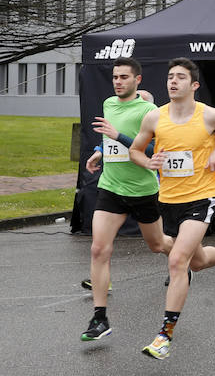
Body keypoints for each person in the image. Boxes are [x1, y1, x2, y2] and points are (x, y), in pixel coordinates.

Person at [129, 58, 215, 359]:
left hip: (202, 197)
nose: (173, 81)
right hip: (168, 199)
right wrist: (148, 162)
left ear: (194, 85)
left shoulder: (210, 115)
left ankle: (164, 335)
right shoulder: (154, 118)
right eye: (170, 77)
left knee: (178, 261)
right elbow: (135, 150)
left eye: (180, 77)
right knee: (195, 262)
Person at [80, 57, 173, 342]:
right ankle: (100, 318)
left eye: (124, 77)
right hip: (111, 187)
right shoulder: (109, 103)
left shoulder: (149, 111)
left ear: (137, 80)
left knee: (158, 245)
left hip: (142, 189)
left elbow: (156, 146)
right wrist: (100, 151)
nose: (118, 82)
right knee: (98, 249)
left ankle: (182, 257)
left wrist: (117, 136)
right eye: (115, 77)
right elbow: (109, 138)